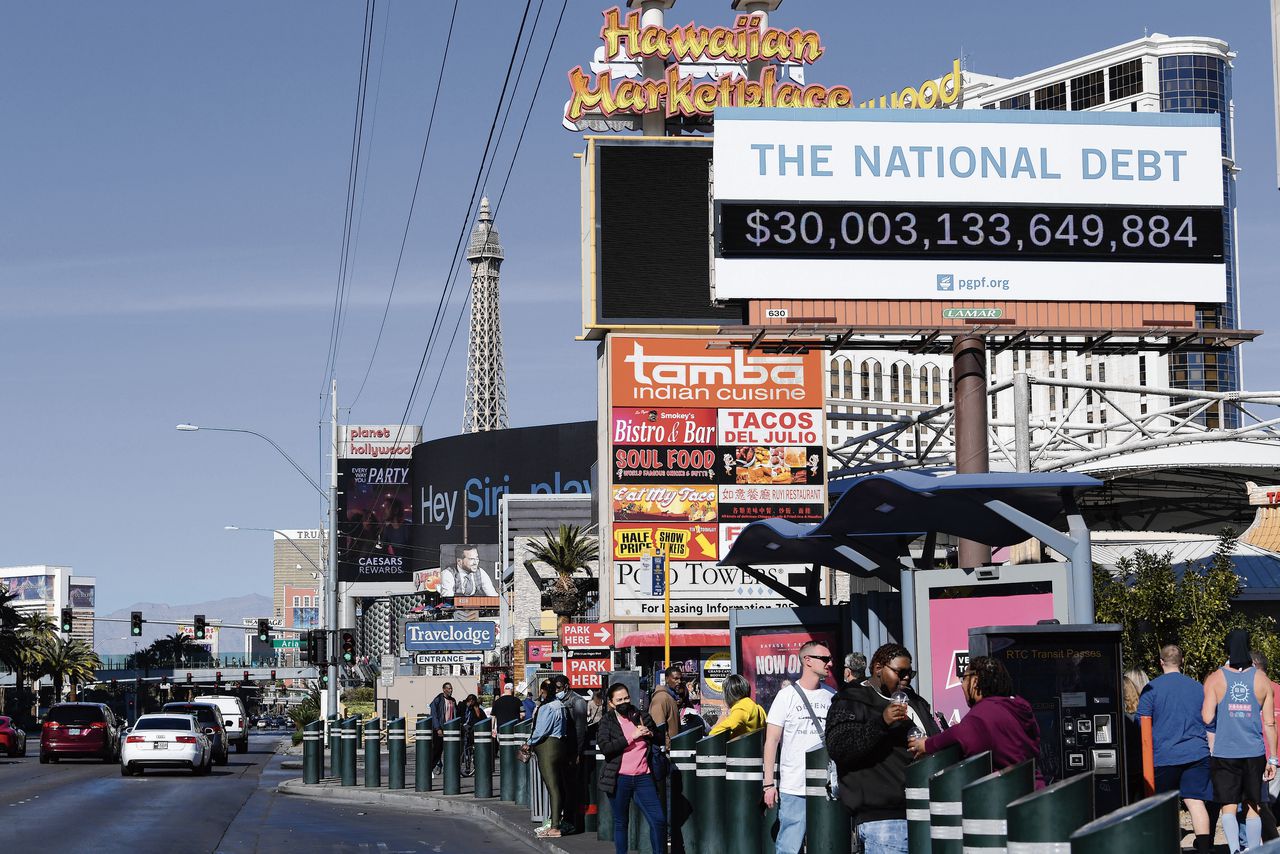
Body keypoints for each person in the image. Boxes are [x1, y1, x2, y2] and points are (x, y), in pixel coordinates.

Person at [826, 642, 942, 854]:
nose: (906, 678)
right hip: (883, 819)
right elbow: (839, 748)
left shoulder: (915, 701)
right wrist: (882, 722)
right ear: (878, 668)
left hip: (925, 812)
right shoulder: (852, 700)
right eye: (900, 672)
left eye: (910, 673)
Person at [907, 656, 1044, 786]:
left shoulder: (983, 712)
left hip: (1007, 794)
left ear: (975, 681)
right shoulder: (1020, 706)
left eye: (964, 678)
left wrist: (926, 744)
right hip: (1033, 789)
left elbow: (959, 733)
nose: (962, 685)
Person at [1203, 628, 1279, 853]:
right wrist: (1273, 759)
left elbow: (1206, 717)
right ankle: (1254, 850)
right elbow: (1269, 724)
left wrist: (1224, 713)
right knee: (1253, 805)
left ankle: (1235, 849)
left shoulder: (1215, 678)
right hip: (1254, 752)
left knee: (1228, 805)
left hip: (1225, 752)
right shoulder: (1262, 679)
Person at [1135, 644, 1213, 853]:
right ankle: (1205, 848)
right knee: (1196, 802)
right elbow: (1209, 719)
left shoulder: (1152, 688)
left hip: (1164, 755)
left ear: (1160, 662)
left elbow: (1141, 722)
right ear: (1182, 661)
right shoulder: (1197, 687)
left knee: (1165, 806)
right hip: (1197, 752)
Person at [763, 641, 837, 854]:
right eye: (825, 659)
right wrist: (769, 784)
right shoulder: (786, 696)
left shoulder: (831, 695)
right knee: (789, 846)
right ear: (807, 660)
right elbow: (772, 741)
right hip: (794, 786)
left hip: (827, 786)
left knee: (826, 843)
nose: (830, 663)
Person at [596, 682, 667, 854]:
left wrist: (650, 734)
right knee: (621, 822)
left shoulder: (641, 715)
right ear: (611, 703)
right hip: (619, 778)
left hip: (644, 777)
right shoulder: (607, 721)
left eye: (626, 698)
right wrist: (631, 737)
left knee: (658, 820)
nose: (624, 702)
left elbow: (660, 738)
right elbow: (606, 748)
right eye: (619, 700)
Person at [527, 679, 567, 838]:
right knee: (558, 786)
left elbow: (540, 731)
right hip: (559, 745)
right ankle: (555, 822)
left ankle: (555, 826)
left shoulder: (546, 707)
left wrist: (528, 743)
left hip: (546, 748)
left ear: (543, 691)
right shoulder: (560, 705)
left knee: (552, 787)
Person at [553, 674, 589, 835]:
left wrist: (578, 752)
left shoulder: (577, 701)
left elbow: (581, 729)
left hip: (571, 749)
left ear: (566, 686)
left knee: (570, 788)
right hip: (559, 749)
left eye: (559, 687)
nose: (557, 690)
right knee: (560, 786)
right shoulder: (556, 701)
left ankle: (570, 821)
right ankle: (560, 819)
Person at [1253, 651, 1280, 842]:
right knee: (1267, 802)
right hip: (1274, 757)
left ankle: (1269, 842)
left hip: (1260, 755)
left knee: (1263, 803)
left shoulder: (1250, 691)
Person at [708, 673, 766, 738]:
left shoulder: (742, 707)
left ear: (730, 693)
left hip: (741, 747)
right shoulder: (756, 707)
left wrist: (710, 736)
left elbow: (729, 725)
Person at [650, 665, 684, 747]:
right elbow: (658, 725)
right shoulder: (661, 698)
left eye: (680, 679)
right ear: (666, 679)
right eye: (675, 679)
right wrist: (667, 746)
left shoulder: (671, 697)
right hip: (664, 751)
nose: (679, 681)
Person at [429, 682, 458, 773]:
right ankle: (430, 768)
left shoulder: (453, 700)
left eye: (451, 688)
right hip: (440, 728)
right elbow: (434, 715)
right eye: (448, 688)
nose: (450, 690)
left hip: (451, 728)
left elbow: (455, 713)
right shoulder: (438, 700)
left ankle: (449, 769)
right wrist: (438, 728)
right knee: (437, 749)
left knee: (450, 750)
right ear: (444, 689)